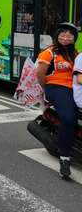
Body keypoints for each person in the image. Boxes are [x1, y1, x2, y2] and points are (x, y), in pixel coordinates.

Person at [36, 22, 79, 179]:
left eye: (70, 35)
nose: (66, 37)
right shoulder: (49, 52)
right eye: (63, 34)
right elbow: (40, 73)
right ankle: (65, 158)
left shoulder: (76, 54)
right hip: (56, 87)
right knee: (69, 119)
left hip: (75, 88)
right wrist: (46, 90)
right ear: (57, 36)